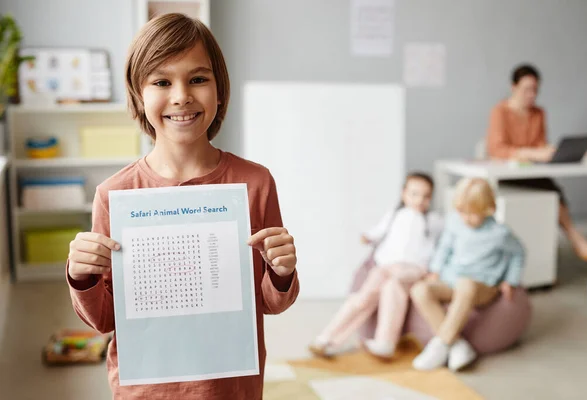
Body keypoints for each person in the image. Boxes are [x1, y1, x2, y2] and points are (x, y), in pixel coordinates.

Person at [66, 14, 299, 399]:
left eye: (198, 79)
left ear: (220, 90)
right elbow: (104, 318)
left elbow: (271, 304)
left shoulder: (256, 183)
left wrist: (282, 271)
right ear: (139, 95)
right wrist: (81, 276)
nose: (181, 96)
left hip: (231, 387)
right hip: (146, 390)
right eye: (161, 81)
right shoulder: (115, 194)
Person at [308, 173, 444, 360]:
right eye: (414, 194)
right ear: (404, 194)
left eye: (426, 196)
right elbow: (378, 231)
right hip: (386, 265)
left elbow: (443, 246)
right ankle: (327, 339)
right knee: (365, 297)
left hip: (413, 268)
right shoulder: (395, 214)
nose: (420, 200)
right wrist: (368, 237)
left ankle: (385, 342)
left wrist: (434, 270)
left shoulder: (434, 221)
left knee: (393, 284)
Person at [487, 63, 587, 262]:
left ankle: (565, 246)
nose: (531, 94)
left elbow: (540, 143)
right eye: (526, 89)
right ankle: (576, 239)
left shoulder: (538, 113)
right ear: (513, 87)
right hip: (509, 175)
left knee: (552, 191)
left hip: (533, 172)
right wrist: (529, 152)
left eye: (535, 90)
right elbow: (496, 148)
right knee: (552, 192)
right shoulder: (500, 111)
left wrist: (548, 151)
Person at [410, 177, 524, 372]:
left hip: (482, 286)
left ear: (488, 209)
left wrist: (510, 281)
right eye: (462, 212)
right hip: (451, 281)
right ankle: (457, 345)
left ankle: (441, 344)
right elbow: (444, 247)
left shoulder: (500, 233)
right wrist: (435, 269)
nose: (465, 218)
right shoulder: (455, 223)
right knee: (419, 290)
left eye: (472, 214)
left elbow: (518, 253)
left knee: (466, 284)